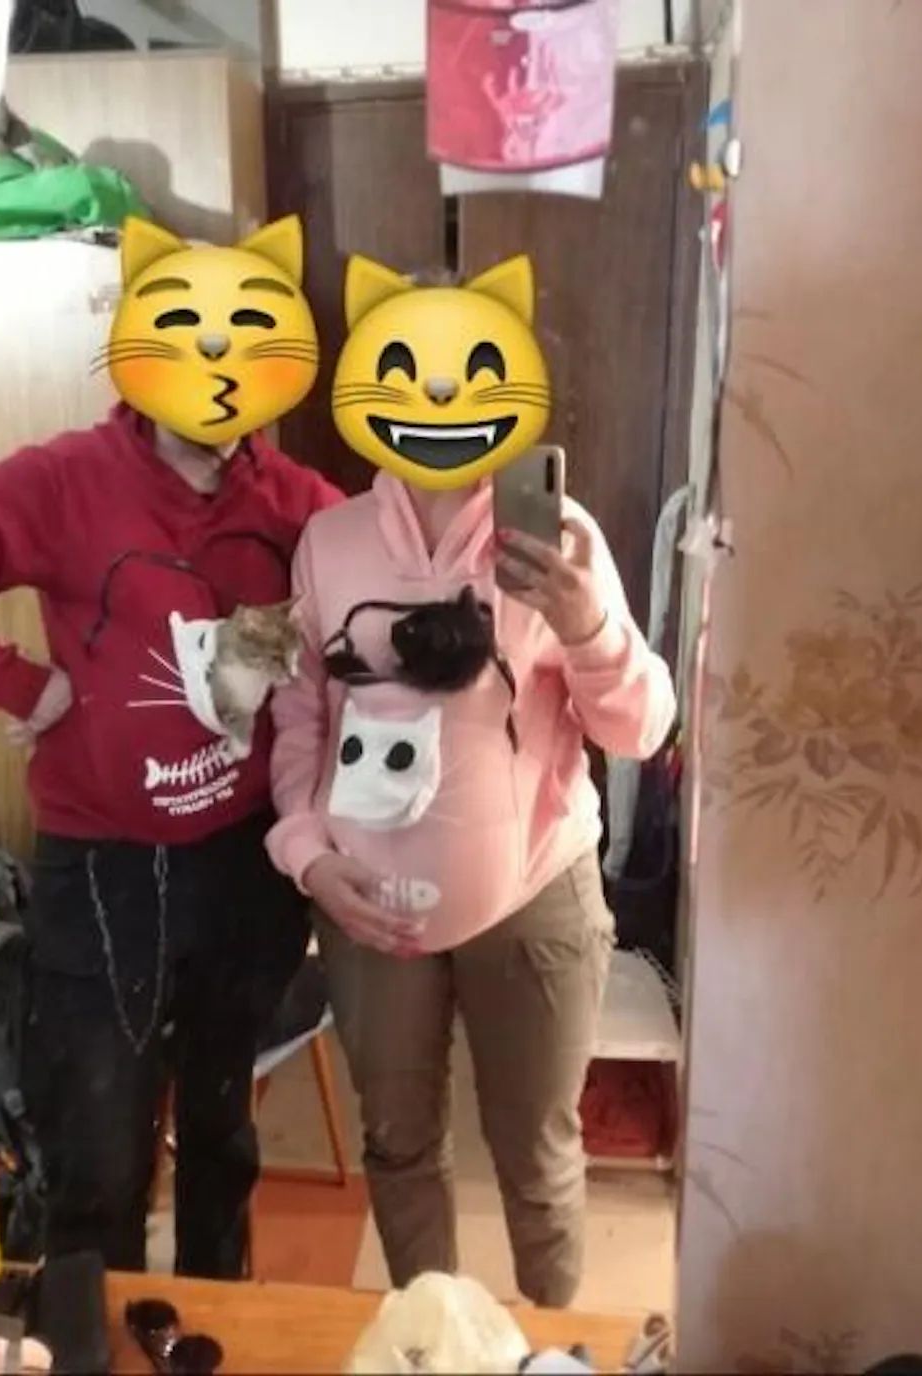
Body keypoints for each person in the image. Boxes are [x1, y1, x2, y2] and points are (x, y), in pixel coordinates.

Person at [0, 214, 341, 1276]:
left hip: (242, 863)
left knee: (222, 1144)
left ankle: (210, 1330)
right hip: (102, 870)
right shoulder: (62, 481)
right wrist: (19, 682)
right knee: (97, 1158)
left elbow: (387, 596)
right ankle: (87, 1338)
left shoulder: (295, 503)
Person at [266, 251, 676, 1308]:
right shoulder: (328, 542)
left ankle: (551, 1351)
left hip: (534, 891)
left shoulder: (563, 537)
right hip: (369, 900)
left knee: (537, 1153)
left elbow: (641, 729)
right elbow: (301, 713)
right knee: (398, 1142)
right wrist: (308, 857)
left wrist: (587, 627)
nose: (441, 395)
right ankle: (430, 1343)